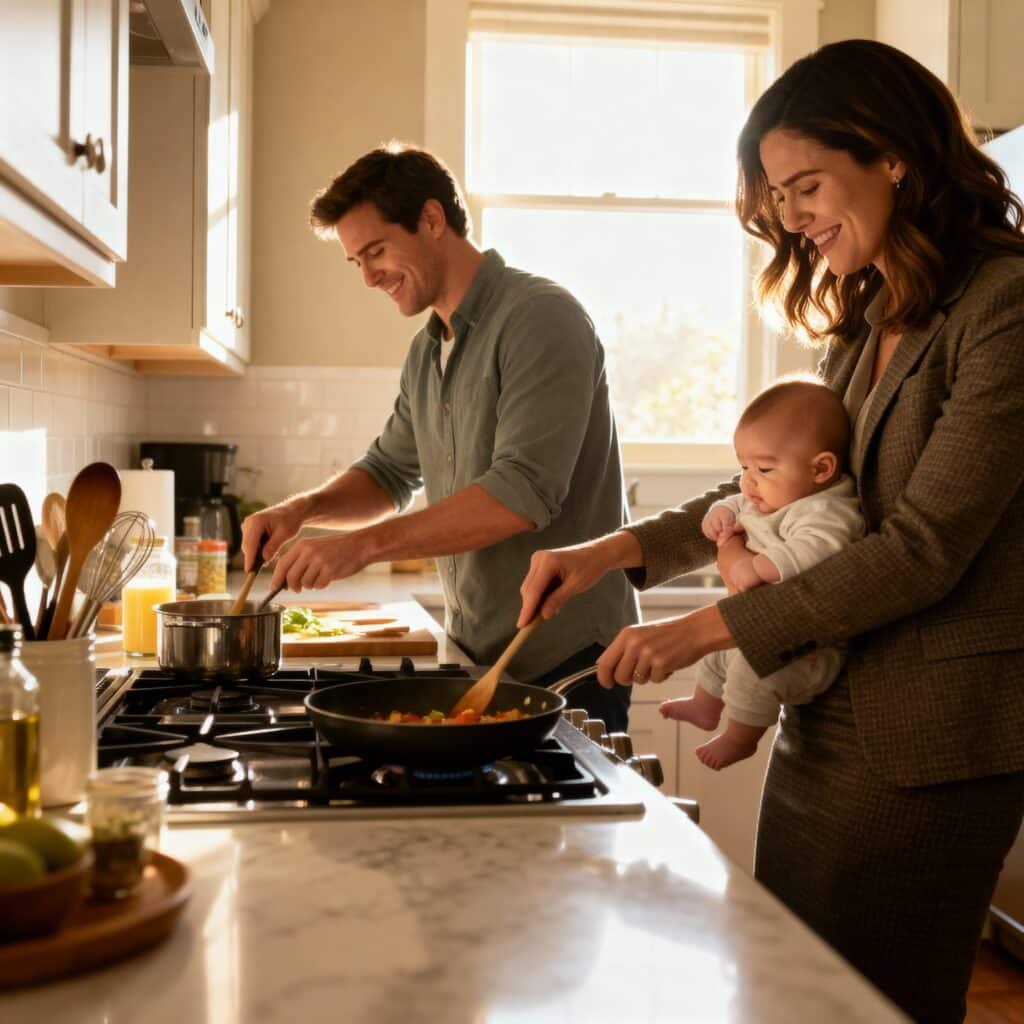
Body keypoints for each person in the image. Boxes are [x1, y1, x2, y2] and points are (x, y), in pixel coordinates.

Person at [517, 39, 1024, 1024]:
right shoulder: (879, 303)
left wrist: (701, 631)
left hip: (932, 742)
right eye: (778, 197)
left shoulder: (1005, 306)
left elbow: (924, 545)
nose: (791, 219)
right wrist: (613, 551)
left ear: (892, 156)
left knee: (875, 1005)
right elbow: (782, 488)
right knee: (791, 995)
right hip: (825, 708)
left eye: (806, 186)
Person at [241, 142, 638, 730]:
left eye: (376, 251)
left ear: (432, 220)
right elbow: (389, 472)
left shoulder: (541, 318)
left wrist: (361, 546)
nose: (369, 277)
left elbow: (520, 494)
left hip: (569, 658)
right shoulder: (429, 348)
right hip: (481, 653)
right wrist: (304, 510)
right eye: (357, 262)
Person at [660, 378, 863, 770]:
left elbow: (819, 547)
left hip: (806, 650)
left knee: (751, 675)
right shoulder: (771, 494)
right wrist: (720, 517)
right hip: (765, 628)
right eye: (743, 466)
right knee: (720, 654)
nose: (748, 480)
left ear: (821, 468)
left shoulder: (825, 510)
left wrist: (752, 566)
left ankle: (741, 737)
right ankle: (705, 705)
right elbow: (734, 502)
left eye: (763, 468)